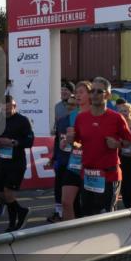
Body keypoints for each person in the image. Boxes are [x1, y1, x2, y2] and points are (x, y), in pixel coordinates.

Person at [70, 78, 131, 216]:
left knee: (106, 218)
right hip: (88, 175)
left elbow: (128, 141)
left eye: (99, 91)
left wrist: (117, 144)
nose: (95, 94)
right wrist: (70, 141)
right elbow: (77, 142)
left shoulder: (116, 118)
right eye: (92, 91)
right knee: (88, 216)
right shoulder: (81, 118)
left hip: (109, 175)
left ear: (108, 95)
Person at [0, 95, 35, 231]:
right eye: (3, 110)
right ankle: (21, 211)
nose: (6, 112)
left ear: (14, 106)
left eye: (9, 110)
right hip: (2, 162)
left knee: (9, 194)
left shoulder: (23, 121)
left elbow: (29, 141)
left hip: (16, 163)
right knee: (1, 196)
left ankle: (12, 224)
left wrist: (13, 142)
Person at [48, 92, 78, 222]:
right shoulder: (61, 120)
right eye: (68, 104)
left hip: (76, 162)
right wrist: (54, 157)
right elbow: (57, 140)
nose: (70, 107)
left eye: (73, 104)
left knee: (73, 193)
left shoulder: (81, 120)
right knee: (59, 187)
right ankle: (59, 213)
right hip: (62, 160)